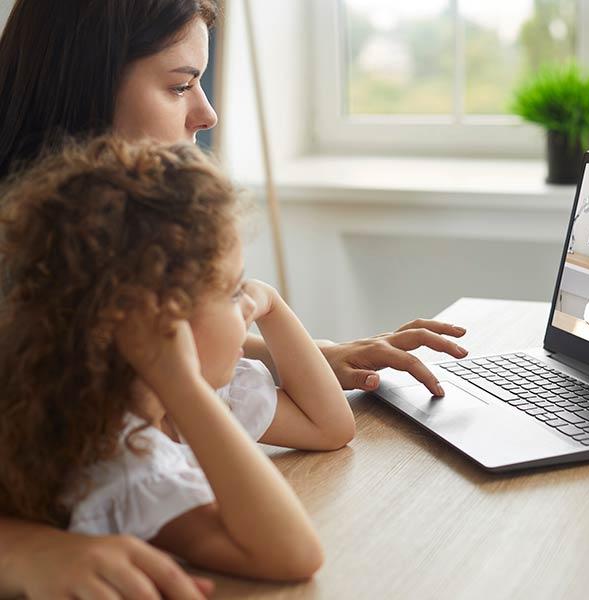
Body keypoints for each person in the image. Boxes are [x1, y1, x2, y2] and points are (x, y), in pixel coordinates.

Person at [0, 0, 469, 598]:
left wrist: (296, 353)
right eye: (179, 86)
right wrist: (17, 547)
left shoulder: (130, 258)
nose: (207, 113)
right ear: (83, 82)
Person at [1, 134, 354, 587]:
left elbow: (331, 428)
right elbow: (295, 555)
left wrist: (273, 304)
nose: (247, 305)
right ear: (158, 327)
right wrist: (183, 385)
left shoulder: (202, 399)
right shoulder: (121, 457)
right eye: (232, 292)